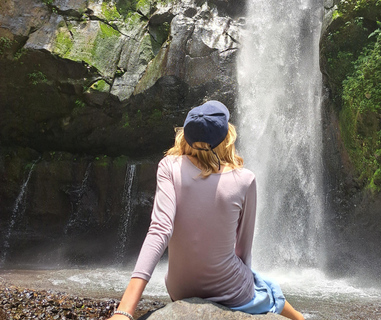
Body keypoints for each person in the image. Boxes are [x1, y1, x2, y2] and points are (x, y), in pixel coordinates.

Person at [108, 100, 304, 320]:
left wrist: (125, 311)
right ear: (227, 136)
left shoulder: (168, 166)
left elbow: (160, 230)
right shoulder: (245, 179)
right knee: (266, 285)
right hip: (231, 291)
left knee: (257, 280)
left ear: (186, 135)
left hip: (180, 288)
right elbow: (243, 251)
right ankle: (300, 318)